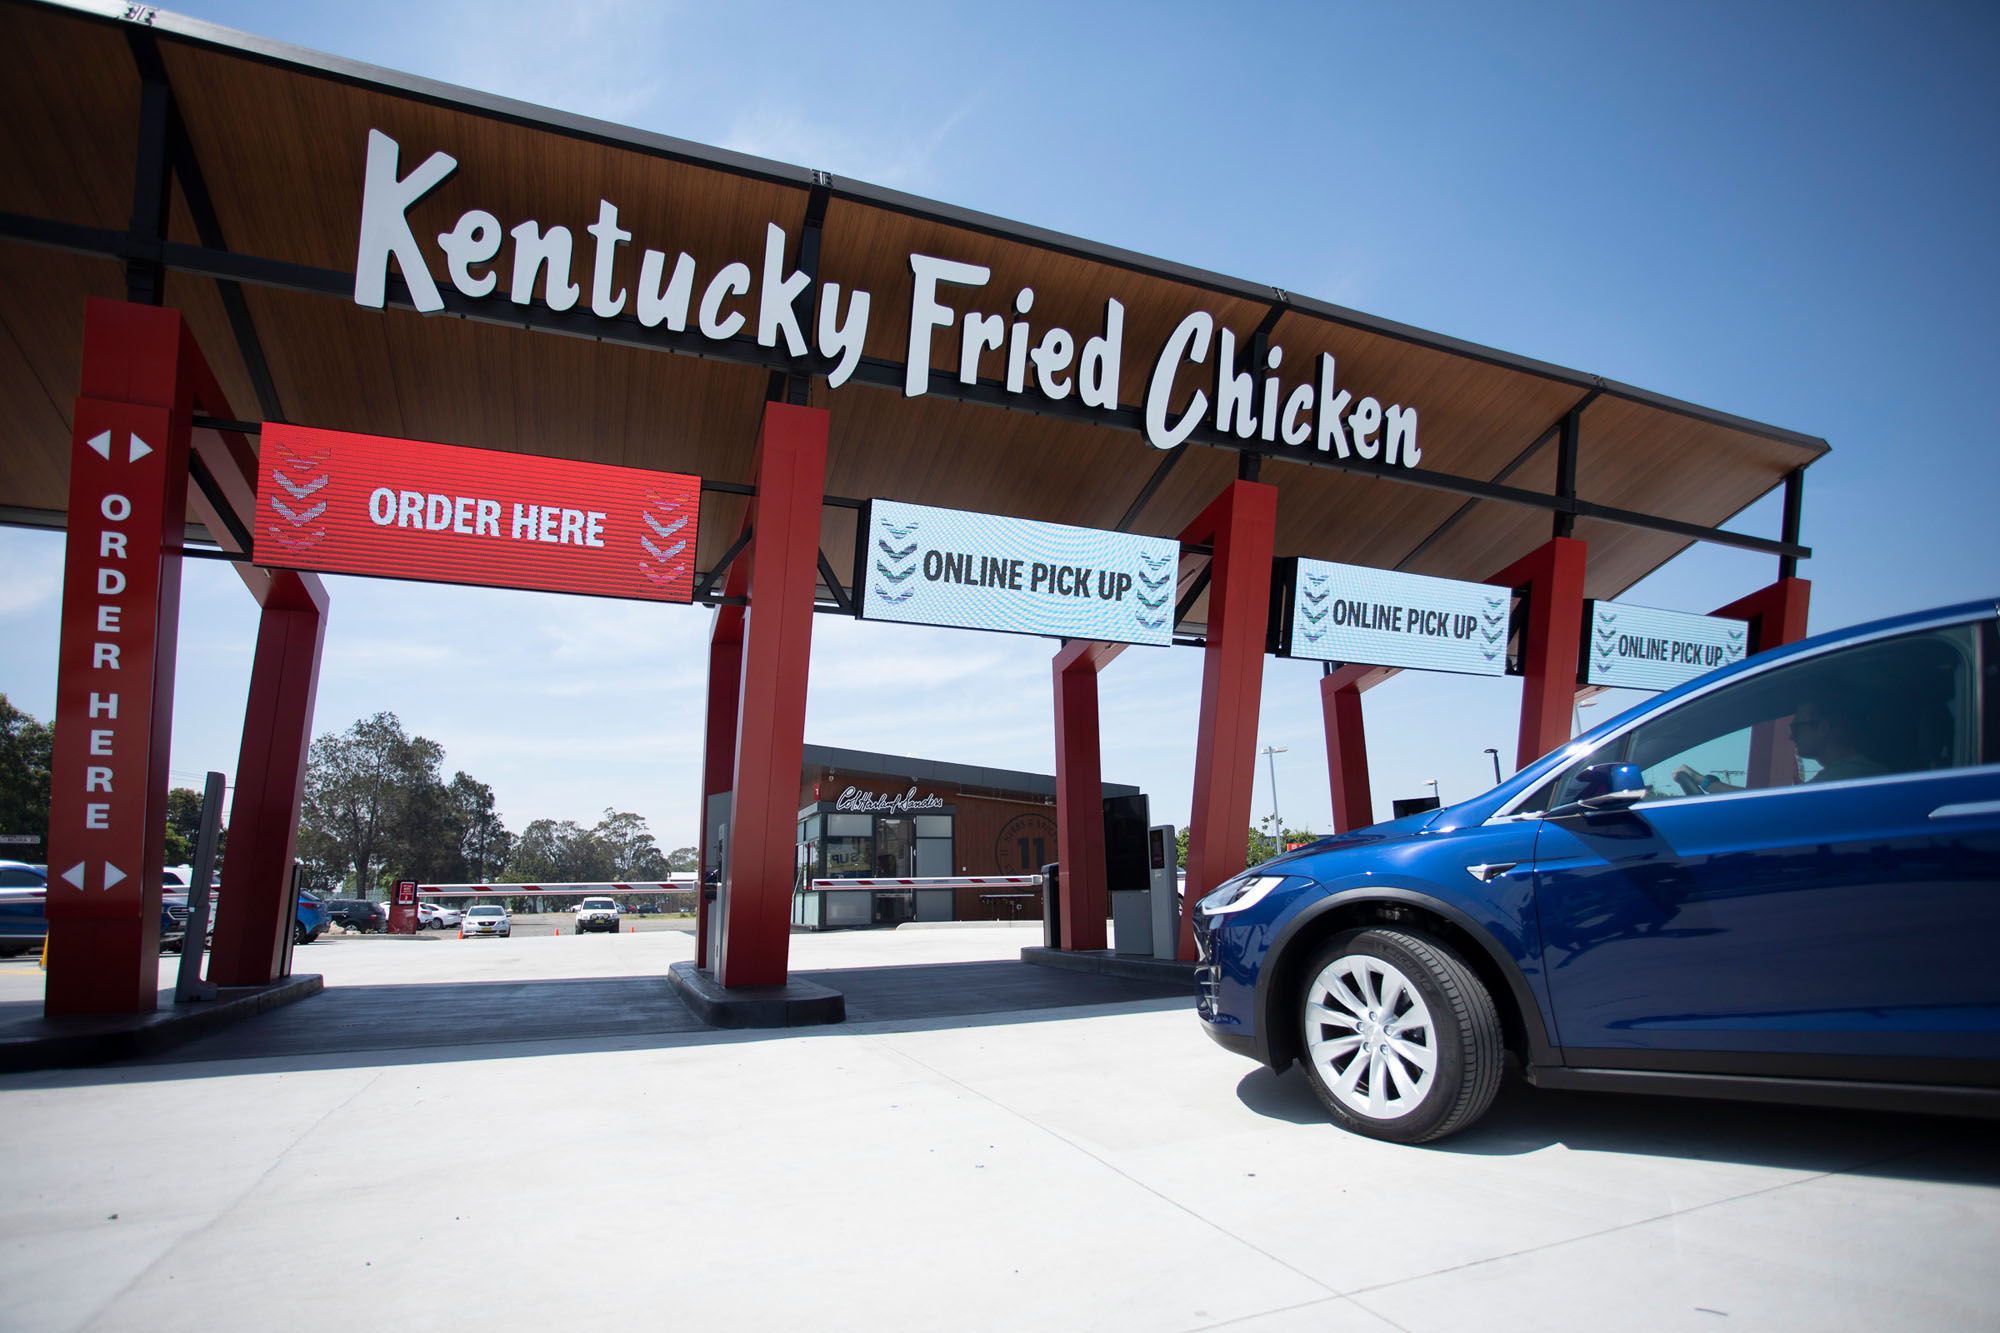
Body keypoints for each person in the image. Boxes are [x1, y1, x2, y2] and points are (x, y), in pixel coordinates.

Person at [1674, 687, 1884, 795]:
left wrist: (1704, 781)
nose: (1791, 736)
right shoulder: (1845, 775)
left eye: (1796, 727)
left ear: (1823, 727)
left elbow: (1769, 806)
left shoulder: (1847, 778)